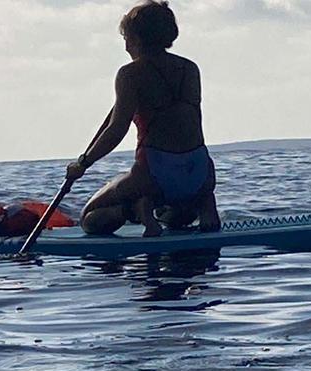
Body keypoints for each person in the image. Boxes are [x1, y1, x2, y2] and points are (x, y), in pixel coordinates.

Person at [64, 0, 220, 238]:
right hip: (200, 172)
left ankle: (138, 209)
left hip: (154, 173)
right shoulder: (190, 68)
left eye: (126, 38)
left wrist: (83, 163)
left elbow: (116, 130)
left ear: (136, 39)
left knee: (89, 218)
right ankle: (205, 205)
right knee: (179, 216)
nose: (125, 45)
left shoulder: (130, 74)